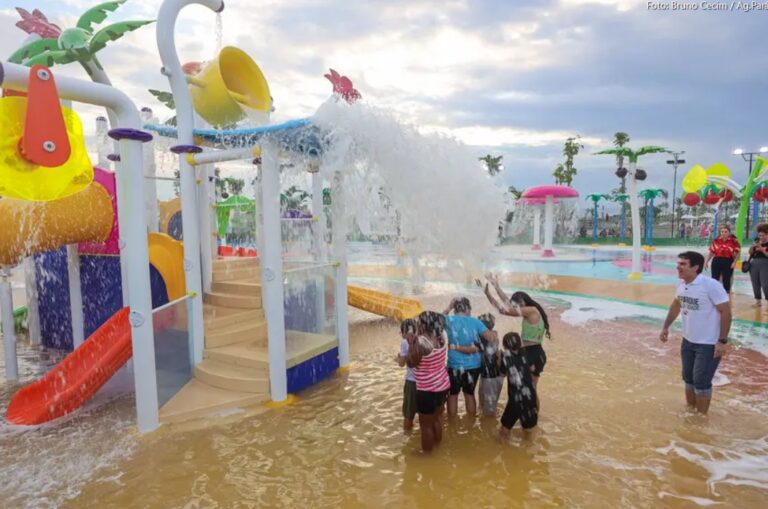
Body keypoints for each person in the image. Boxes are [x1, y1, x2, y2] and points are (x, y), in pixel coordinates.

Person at [660, 251, 731, 415]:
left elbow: (726, 313)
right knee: (688, 378)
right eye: (678, 264)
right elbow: (676, 306)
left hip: (708, 343)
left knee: (701, 381)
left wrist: (722, 341)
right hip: (688, 340)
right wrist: (665, 327)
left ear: (695, 267)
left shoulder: (710, 285)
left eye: (683, 264)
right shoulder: (682, 285)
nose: (678, 267)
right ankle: (690, 412)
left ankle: (702, 418)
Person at [477, 275, 551, 399]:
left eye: (519, 304)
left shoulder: (531, 310)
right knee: (532, 388)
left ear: (525, 301)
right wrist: (495, 287)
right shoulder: (532, 310)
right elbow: (507, 303)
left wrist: (489, 294)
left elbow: (504, 309)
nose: (517, 307)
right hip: (537, 352)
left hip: (531, 353)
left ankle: (513, 406)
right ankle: (531, 411)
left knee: (524, 386)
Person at [441, 297, 496, 417]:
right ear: (467, 308)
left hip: (454, 365)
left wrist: (448, 307)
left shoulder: (448, 319)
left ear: (455, 308)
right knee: (469, 394)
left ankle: (452, 422)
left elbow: (435, 322)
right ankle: (471, 421)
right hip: (473, 366)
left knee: (453, 395)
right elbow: (491, 338)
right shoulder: (475, 322)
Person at [406, 311, 450, 453]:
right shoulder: (442, 335)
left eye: (419, 322)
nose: (417, 324)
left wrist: (411, 343)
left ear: (424, 326)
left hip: (426, 390)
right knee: (436, 419)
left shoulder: (421, 343)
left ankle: (427, 455)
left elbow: (411, 363)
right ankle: (437, 445)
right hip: (442, 385)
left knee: (425, 426)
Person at [498, 332, 538, 439]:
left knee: (505, 428)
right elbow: (533, 368)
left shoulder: (506, 358)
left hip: (516, 399)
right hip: (530, 396)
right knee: (528, 429)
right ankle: (528, 446)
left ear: (505, 346)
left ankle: (503, 445)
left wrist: (499, 359)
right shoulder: (525, 352)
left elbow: (502, 374)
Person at [475, 313, 504, 417]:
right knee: (483, 405)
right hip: (491, 375)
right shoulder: (493, 334)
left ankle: (489, 425)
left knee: (489, 410)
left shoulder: (485, 338)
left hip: (490, 376)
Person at [705, 224, 740, 294]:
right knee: (714, 278)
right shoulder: (716, 241)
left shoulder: (734, 241)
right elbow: (711, 252)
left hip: (728, 261)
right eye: (722, 232)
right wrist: (706, 262)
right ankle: (714, 293)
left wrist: (734, 262)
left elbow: (737, 253)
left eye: (725, 232)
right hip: (717, 260)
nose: (724, 233)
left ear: (729, 232)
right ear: (720, 232)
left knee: (726, 279)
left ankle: (726, 293)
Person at [397, 318, 418, 431]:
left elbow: (402, 364)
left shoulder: (405, 342)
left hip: (412, 382)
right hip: (425, 382)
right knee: (425, 412)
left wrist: (399, 358)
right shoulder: (422, 339)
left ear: (405, 333)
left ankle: (407, 434)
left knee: (408, 414)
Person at [748, 223, 768, 308]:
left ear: (767, 235)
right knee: (755, 283)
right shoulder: (756, 242)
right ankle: (758, 301)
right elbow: (750, 253)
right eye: (760, 235)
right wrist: (752, 247)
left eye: (763, 235)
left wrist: (761, 249)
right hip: (754, 264)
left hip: (765, 264)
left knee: (765, 284)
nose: (761, 237)